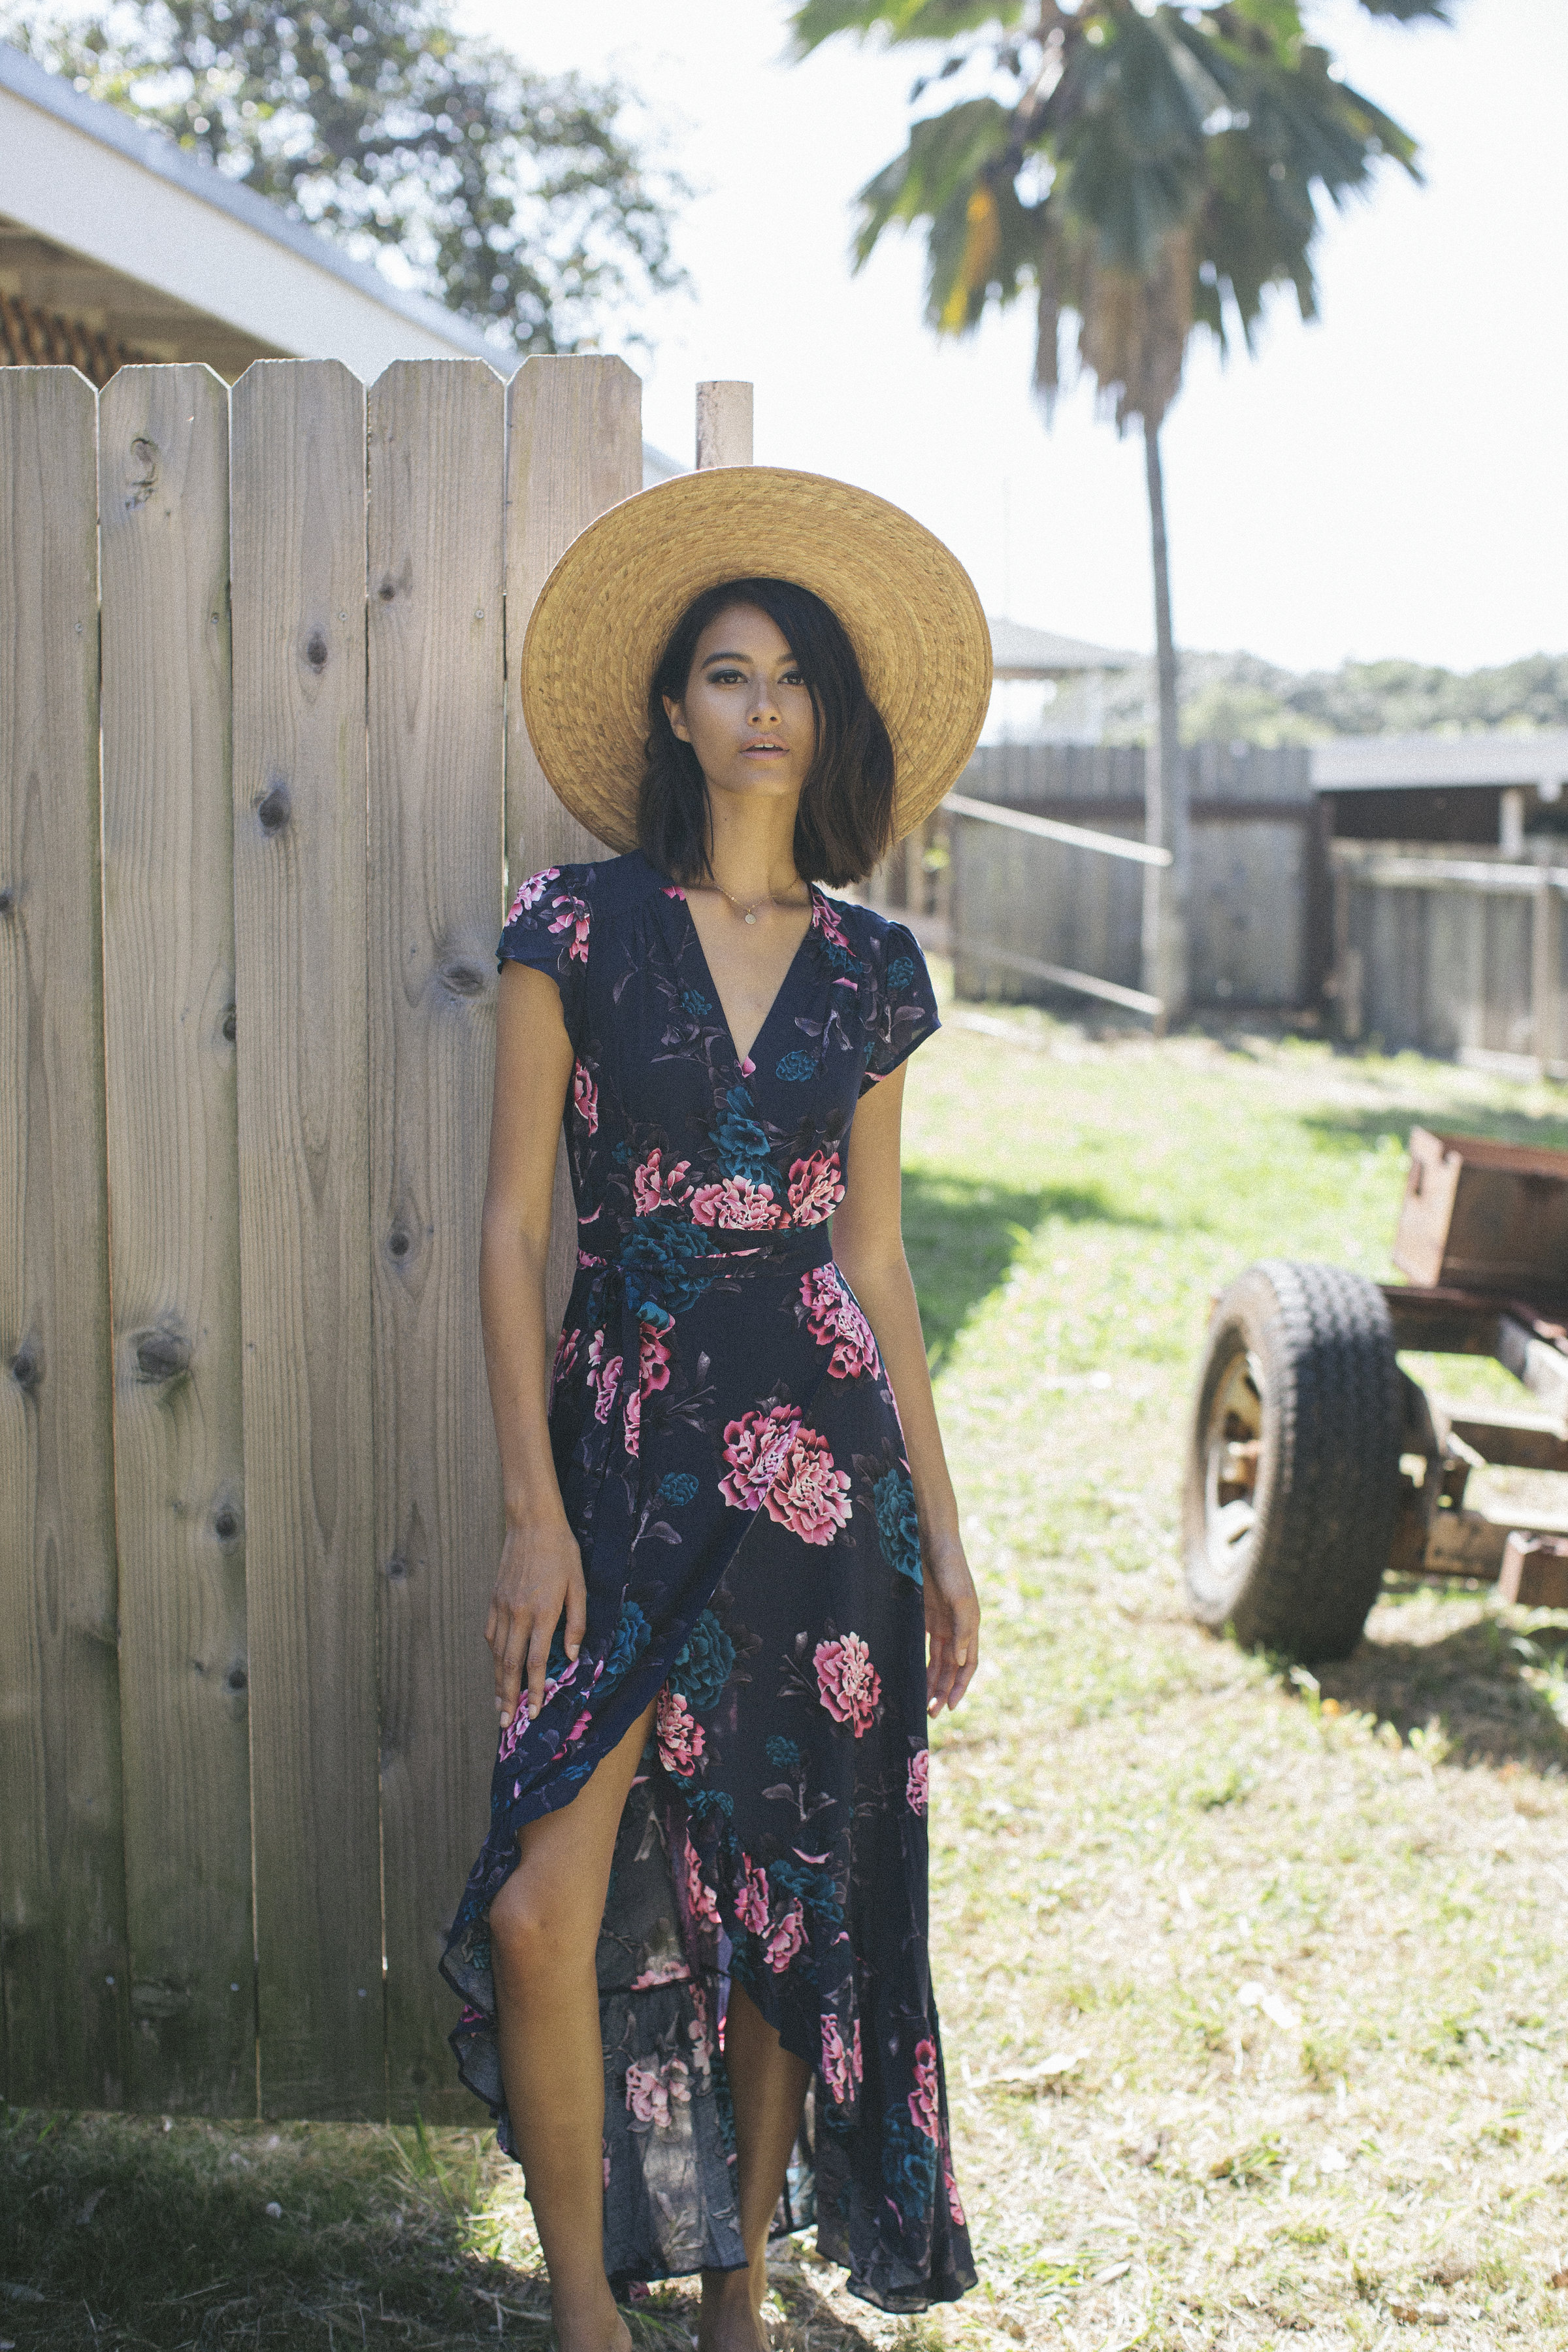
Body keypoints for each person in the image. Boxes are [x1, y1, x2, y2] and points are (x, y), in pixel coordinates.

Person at [440, 464, 992, 2342]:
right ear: (674, 711)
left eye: (792, 676)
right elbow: (513, 1232)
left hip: (828, 1477)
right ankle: (588, 2302)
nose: (762, 701)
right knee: (539, 1905)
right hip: (619, 1458)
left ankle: (741, 2289)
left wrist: (946, 1532)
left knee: (790, 1915)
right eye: (726, 671)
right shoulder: (573, 928)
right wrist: (530, 1505)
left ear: (822, 717)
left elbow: (877, 1264)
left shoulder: (872, 970)